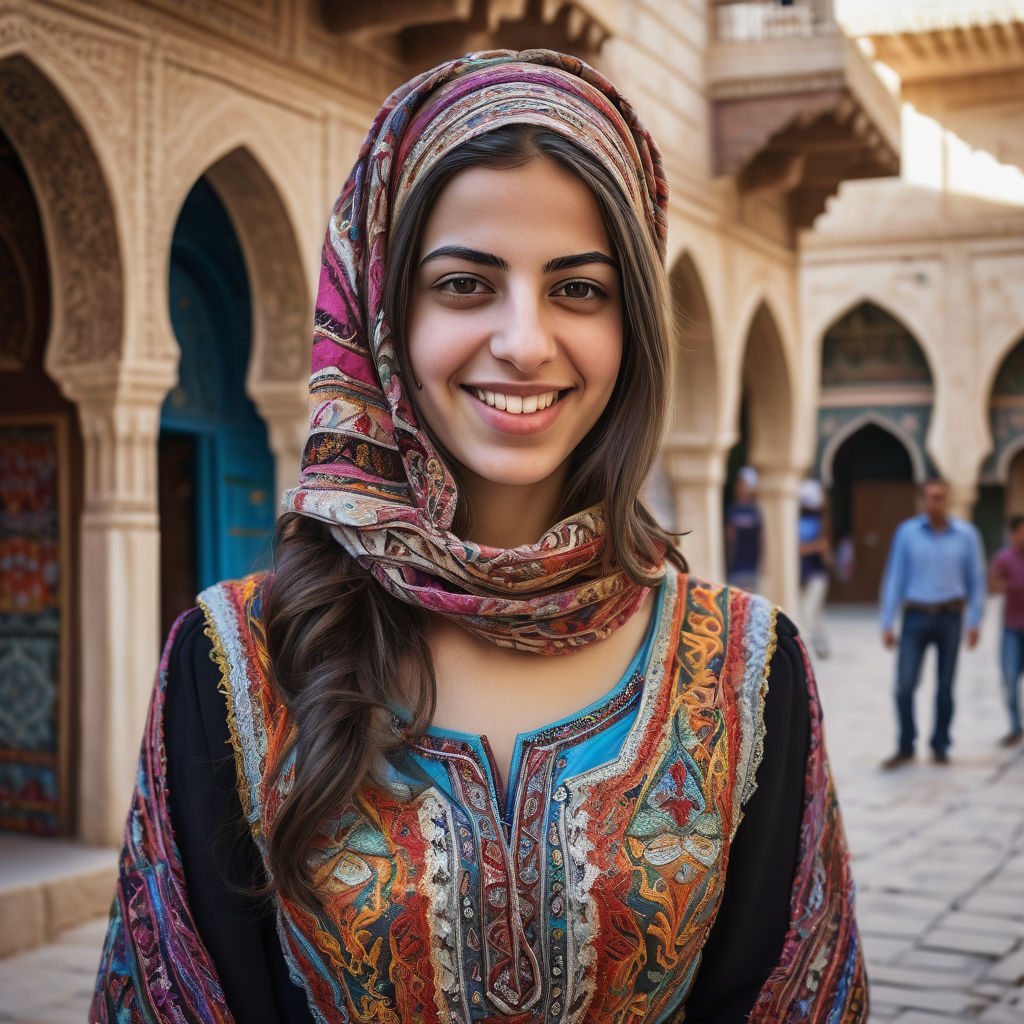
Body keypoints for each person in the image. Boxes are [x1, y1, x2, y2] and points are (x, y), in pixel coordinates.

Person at [92, 50, 865, 1023]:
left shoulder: (748, 669)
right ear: (382, 313)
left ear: (631, 323)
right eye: (465, 284)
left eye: (577, 289)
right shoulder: (236, 661)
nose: (525, 341)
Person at [879, 477, 985, 768]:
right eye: (930, 497)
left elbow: (976, 581)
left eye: (940, 497)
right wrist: (887, 622)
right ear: (922, 500)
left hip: (951, 617)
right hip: (915, 616)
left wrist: (975, 621)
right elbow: (895, 577)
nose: (935, 503)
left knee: (946, 686)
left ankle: (940, 744)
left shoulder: (967, 535)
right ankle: (906, 744)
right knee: (904, 684)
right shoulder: (907, 533)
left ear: (947, 500)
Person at [988, 514, 1024, 746]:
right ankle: (1014, 725)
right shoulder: (1003, 558)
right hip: (1012, 628)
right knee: (1010, 677)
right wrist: (1011, 586)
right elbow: (992, 585)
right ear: (1013, 533)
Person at [798, 478, 831, 659]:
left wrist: (807, 548)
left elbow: (824, 549)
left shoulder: (820, 524)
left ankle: (812, 649)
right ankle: (819, 647)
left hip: (816, 574)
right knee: (811, 613)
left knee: (811, 613)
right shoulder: (800, 521)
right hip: (803, 573)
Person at [724, 465, 762, 592]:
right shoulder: (733, 509)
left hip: (751, 568)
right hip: (736, 568)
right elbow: (730, 538)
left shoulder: (757, 509)